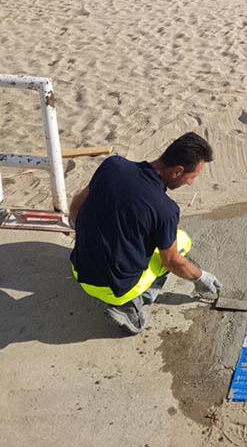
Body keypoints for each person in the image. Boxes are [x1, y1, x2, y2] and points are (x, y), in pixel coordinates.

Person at [69, 132, 221, 335]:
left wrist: (92, 233)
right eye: (192, 177)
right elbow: (172, 262)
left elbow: (75, 208)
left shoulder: (113, 165)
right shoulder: (166, 210)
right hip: (111, 289)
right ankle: (130, 305)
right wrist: (200, 277)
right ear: (177, 171)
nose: (191, 182)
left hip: (78, 268)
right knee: (182, 241)